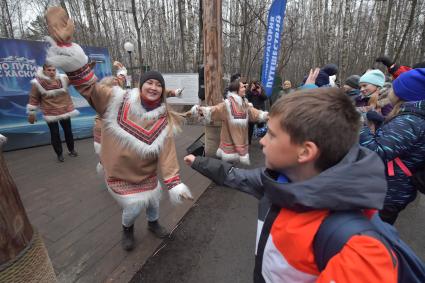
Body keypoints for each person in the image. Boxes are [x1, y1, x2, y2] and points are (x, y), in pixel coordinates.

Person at [185, 86, 396, 282]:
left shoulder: (357, 250)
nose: (263, 141)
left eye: (272, 135)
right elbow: (236, 176)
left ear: (305, 151)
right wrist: (201, 162)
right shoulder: (278, 179)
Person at [44, 7, 193, 251]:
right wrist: (71, 54)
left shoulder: (163, 119)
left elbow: (167, 154)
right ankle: (127, 229)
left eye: (158, 85)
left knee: (154, 200)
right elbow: (91, 88)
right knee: (133, 208)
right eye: (150, 83)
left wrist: (174, 183)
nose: (154, 87)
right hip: (121, 174)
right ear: (142, 86)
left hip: (146, 174)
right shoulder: (117, 100)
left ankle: (154, 224)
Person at [359, 68, 425, 225]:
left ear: (405, 93)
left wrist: (359, 126)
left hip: (389, 193)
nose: (389, 90)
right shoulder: (411, 117)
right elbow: (398, 140)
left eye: (394, 87)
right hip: (392, 189)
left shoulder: (409, 121)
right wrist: (381, 121)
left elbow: (376, 153)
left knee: (373, 234)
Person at [191, 79, 268, 165]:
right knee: (227, 167)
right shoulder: (227, 105)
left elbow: (253, 113)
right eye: (242, 87)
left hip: (241, 142)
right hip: (229, 144)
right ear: (236, 91)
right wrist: (202, 110)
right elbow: (215, 110)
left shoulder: (244, 104)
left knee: (235, 167)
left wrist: (265, 116)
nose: (245, 88)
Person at [26, 63, 79, 162]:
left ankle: (71, 150)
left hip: (64, 110)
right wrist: (31, 113)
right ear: (44, 70)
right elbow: (33, 98)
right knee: (55, 134)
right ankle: (59, 154)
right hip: (50, 112)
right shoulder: (37, 83)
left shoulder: (63, 79)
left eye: (53, 70)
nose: (52, 72)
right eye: (49, 70)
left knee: (68, 131)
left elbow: (75, 78)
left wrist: (87, 68)